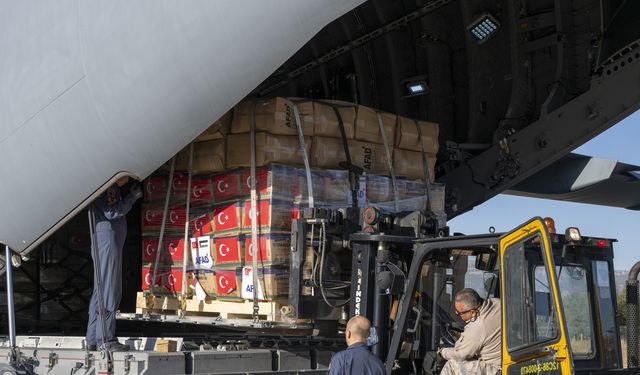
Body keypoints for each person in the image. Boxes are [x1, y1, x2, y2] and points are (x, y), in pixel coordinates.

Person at [85, 176, 142, 352]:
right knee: (110, 289)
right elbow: (112, 212)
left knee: (100, 290)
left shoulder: (102, 186)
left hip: (105, 240)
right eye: (126, 178)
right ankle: (106, 338)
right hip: (109, 242)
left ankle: (93, 338)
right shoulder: (109, 189)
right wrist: (132, 198)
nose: (126, 181)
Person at [439, 288, 501, 375]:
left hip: (495, 369)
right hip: (506, 359)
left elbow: (460, 354)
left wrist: (442, 352)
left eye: (459, 313)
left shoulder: (477, 326)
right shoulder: (497, 302)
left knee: (451, 364)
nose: (456, 313)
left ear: (472, 312)